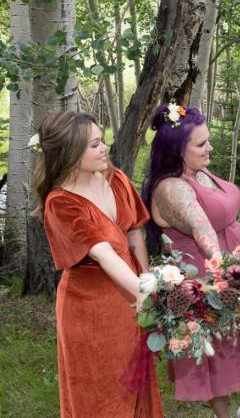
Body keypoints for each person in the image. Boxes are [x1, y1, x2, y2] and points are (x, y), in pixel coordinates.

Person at [141, 104, 240, 418]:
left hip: (236, 264)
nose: (210, 148)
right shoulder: (173, 188)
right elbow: (203, 230)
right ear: (177, 151)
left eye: (208, 140)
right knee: (219, 352)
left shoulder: (200, 172)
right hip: (205, 276)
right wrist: (227, 271)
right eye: (201, 144)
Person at [34, 111, 163, 417]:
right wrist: (141, 290)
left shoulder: (116, 179)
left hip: (131, 297)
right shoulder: (61, 202)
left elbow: (134, 230)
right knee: (99, 390)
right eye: (94, 145)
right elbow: (102, 252)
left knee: (135, 385)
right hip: (89, 310)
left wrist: (145, 280)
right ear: (70, 153)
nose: (104, 148)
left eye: (102, 140)